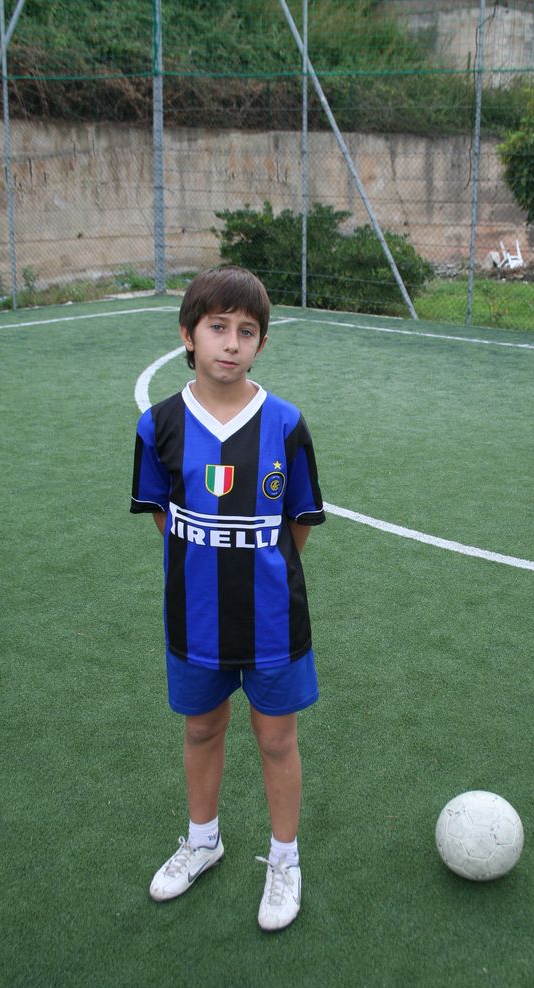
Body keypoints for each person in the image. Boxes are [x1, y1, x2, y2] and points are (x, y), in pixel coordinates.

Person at [130, 266, 325, 931]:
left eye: (247, 331)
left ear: (261, 343)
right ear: (188, 335)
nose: (232, 343)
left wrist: (256, 568)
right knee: (200, 728)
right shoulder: (158, 424)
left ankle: (284, 858)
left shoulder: (286, 424)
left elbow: (297, 522)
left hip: (272, 620)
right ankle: (202, 840)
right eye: (218, 327)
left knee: (276, 739)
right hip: (195, 618)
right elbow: (164, 516)